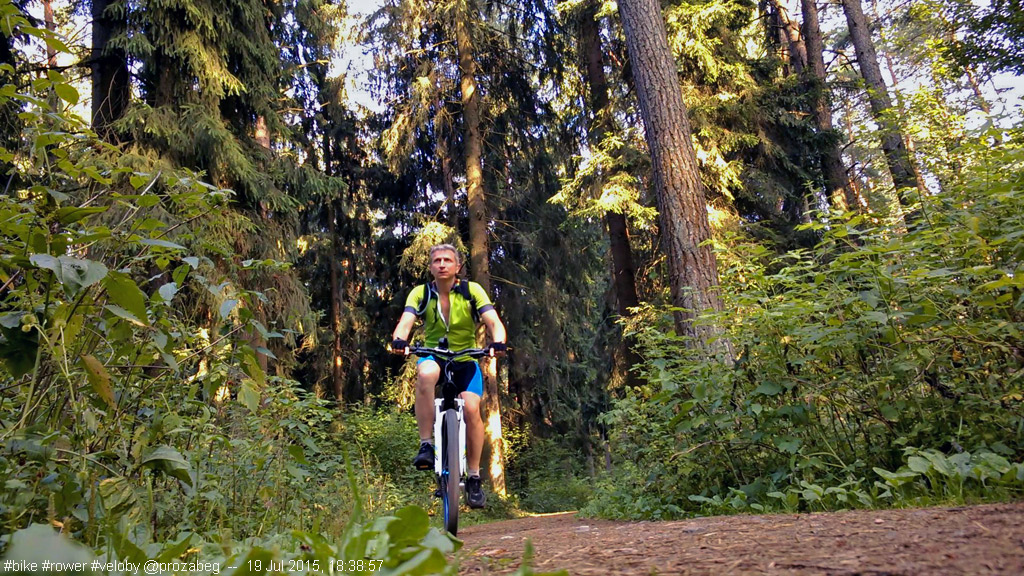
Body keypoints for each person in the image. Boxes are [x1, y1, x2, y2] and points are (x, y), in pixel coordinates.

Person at [390, 244, 507, 509]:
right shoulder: (421, 293)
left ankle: (474, 477)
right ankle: (426, 445)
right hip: (434, 355)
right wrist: (399, 340)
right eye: (436, 261)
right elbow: (405, 322)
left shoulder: (471, 291)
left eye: (447, 260)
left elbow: (493, 321)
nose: (442, 264)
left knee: (472, 409)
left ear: (458, 266)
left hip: (465, 359)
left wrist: (498, 342)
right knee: (426, 373)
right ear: (431, 267)